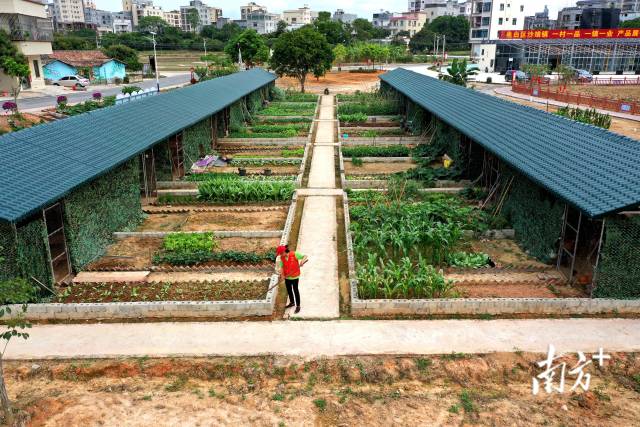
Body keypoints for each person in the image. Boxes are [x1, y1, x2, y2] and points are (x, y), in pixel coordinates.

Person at [275, 245, 308, 314]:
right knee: (289, 290)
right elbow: (281, 267)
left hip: (295, 276)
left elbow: (305, 256)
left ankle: (298, 306)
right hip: (287, 277)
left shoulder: (294, 254)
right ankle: (292, 302)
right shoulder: (282, 258)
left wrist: (302, 261)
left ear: (284, 251)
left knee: (295, 290)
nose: (280, 255)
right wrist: (282, 275)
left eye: (281, 253)